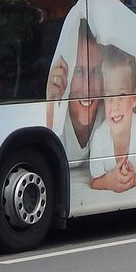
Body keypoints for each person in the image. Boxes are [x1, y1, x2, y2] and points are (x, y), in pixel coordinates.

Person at [88, 46, 136, 192]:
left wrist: (133, 180)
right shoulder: (99, 138)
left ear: (134, 99)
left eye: (122, 96)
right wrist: (109, 182)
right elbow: (94, 180)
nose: (115, 105)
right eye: (109, 96)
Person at [46, 19, 103, 167]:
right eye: (78, 71)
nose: (87, 87)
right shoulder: (56, 117)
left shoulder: (114, 111)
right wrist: (50, 108)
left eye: (95, 71)